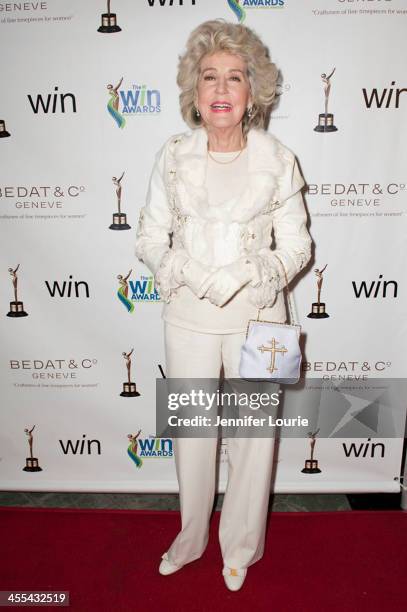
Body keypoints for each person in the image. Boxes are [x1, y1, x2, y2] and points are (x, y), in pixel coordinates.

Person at [134, 19, 313, 591]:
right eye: (209, 76)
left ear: (252, 92)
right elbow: (148, 237)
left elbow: (298, 245)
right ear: (193, 89)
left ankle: (240, 547)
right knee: (192, 435)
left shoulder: (280, 159)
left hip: (264, 322)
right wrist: (188, 272)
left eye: (234, 78)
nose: (220, 89)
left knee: (254, 443)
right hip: (188, 316)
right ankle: (190, 539)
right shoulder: (171, 156)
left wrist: (246, 274)